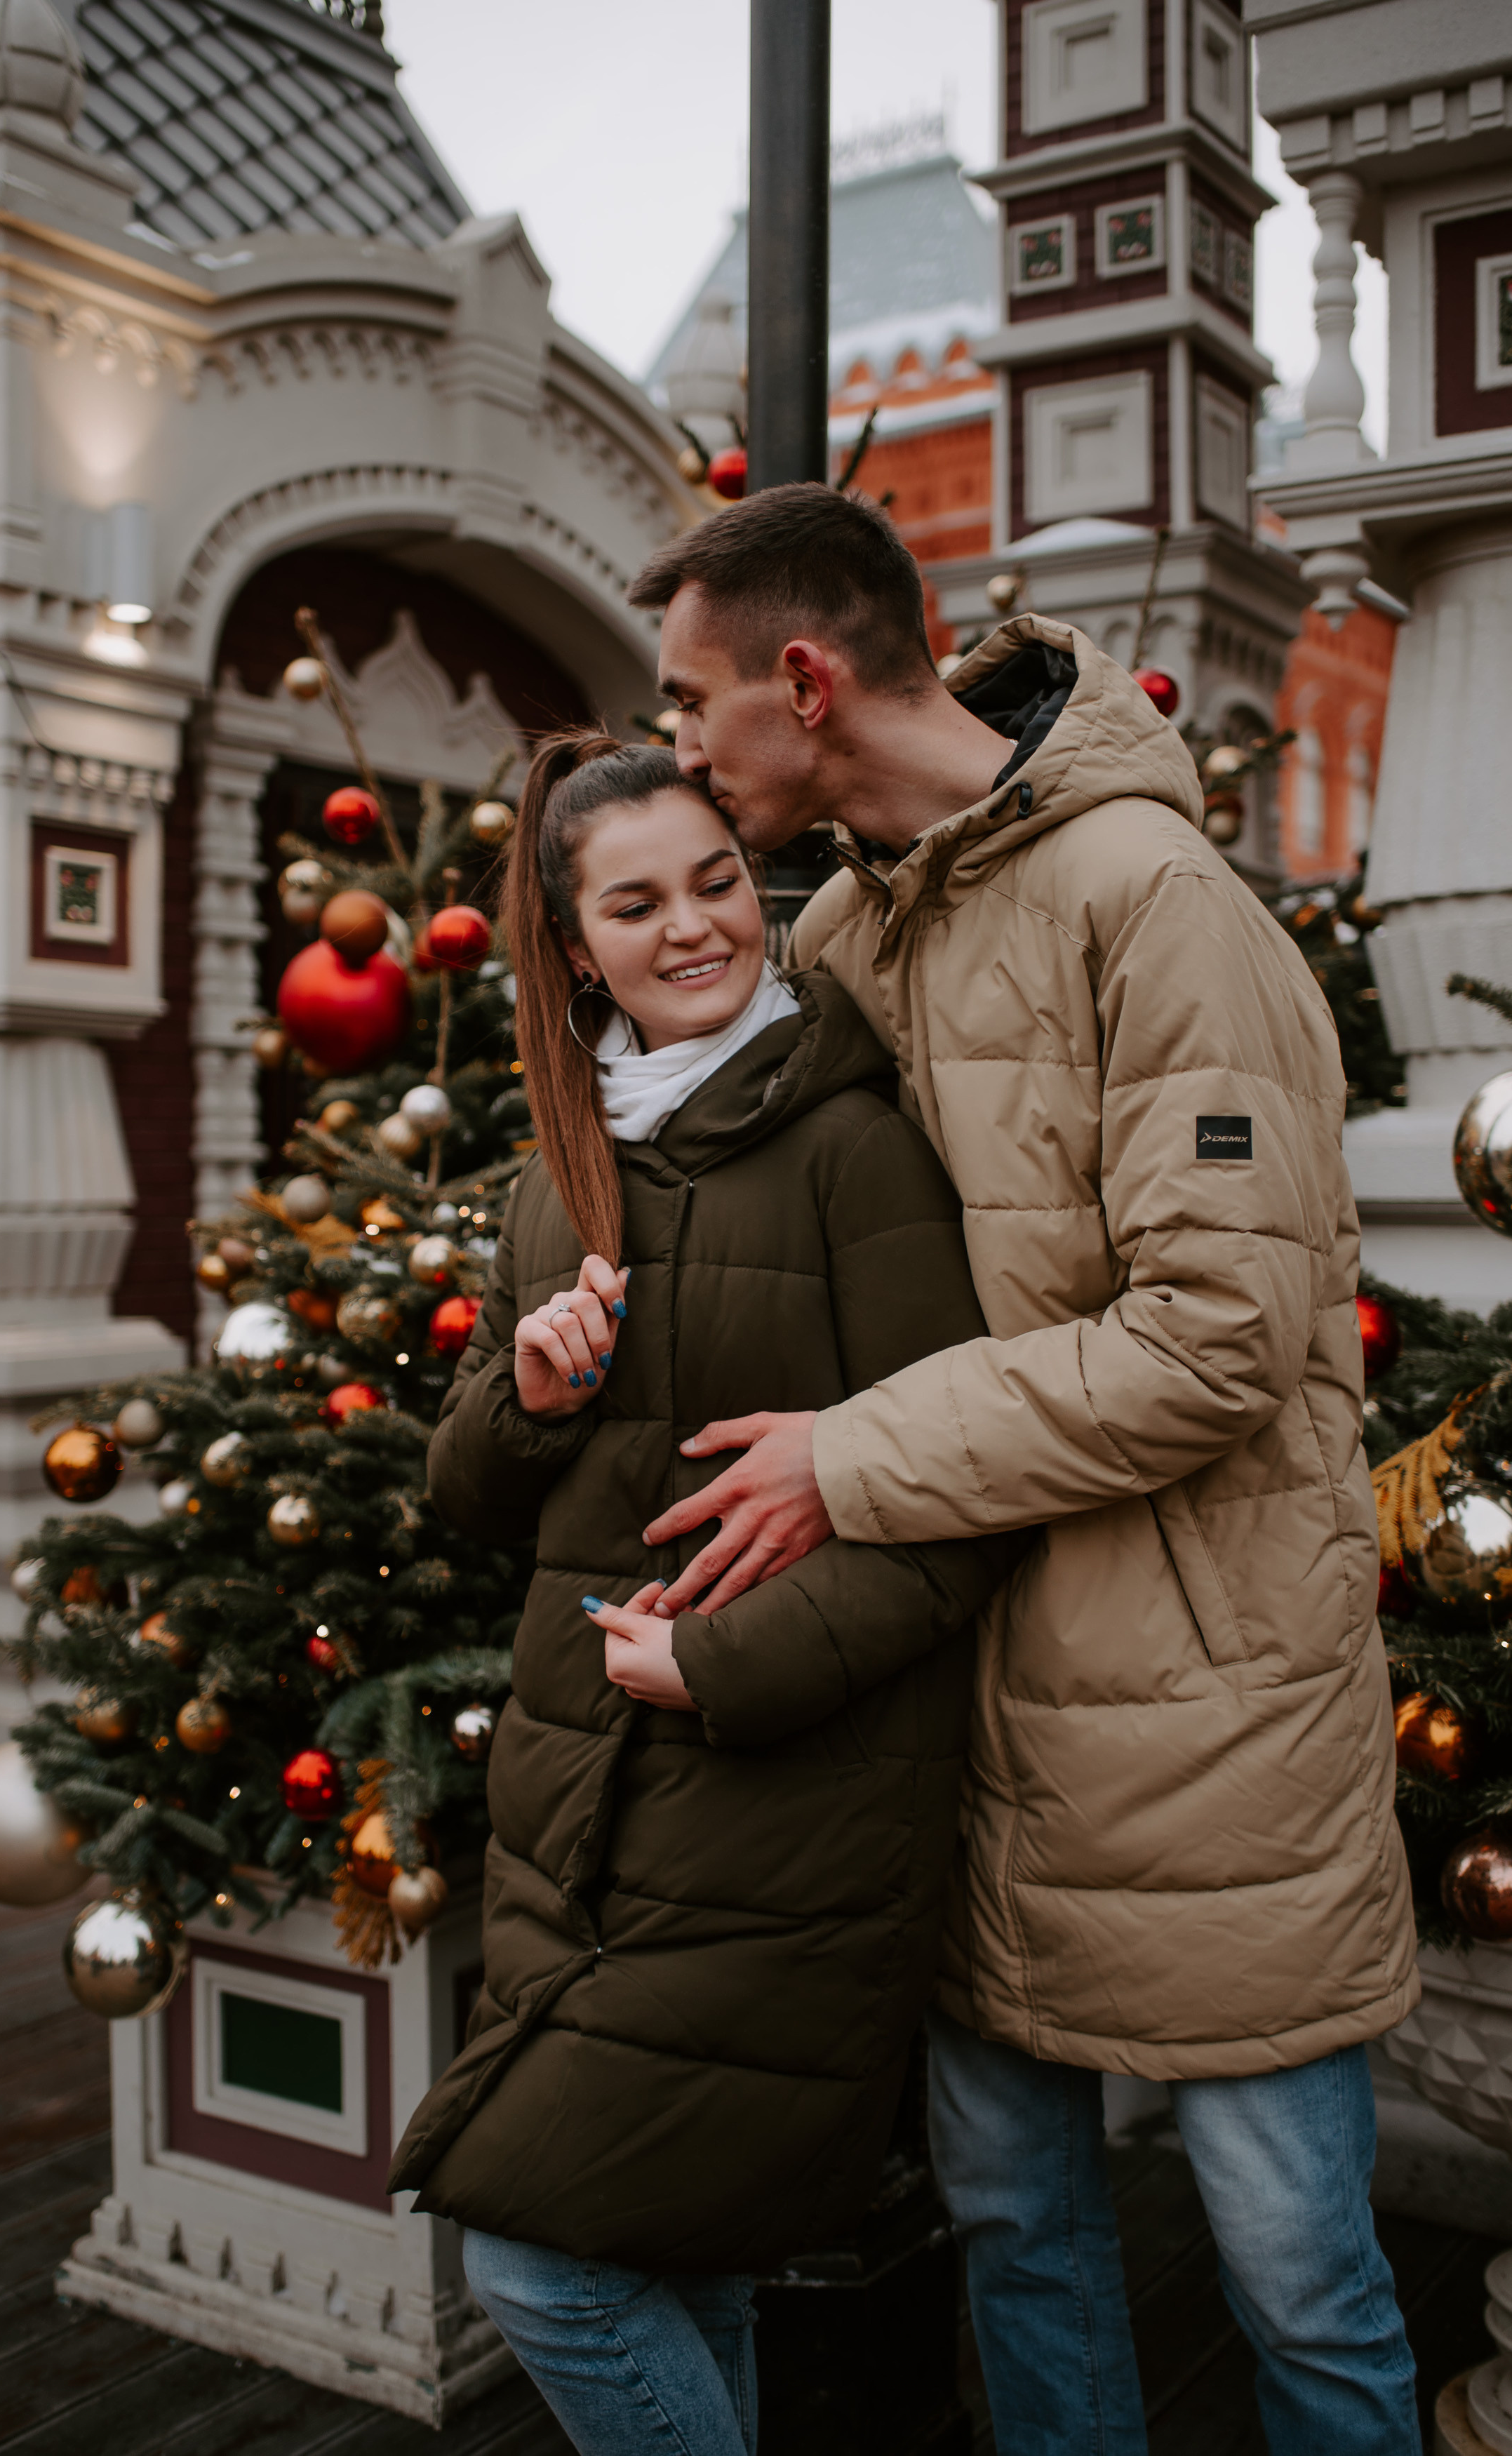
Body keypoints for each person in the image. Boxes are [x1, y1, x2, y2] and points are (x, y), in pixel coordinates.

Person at [622, 484, 1424, 2456]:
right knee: (1016, 2234)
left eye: (686, 706)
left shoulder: (1157, 905)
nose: (676, 759)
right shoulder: (842, 924)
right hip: (962, 1701)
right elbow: (762, 1217)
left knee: (1298, 2278)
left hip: (1204, 1718)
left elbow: (1216, 1340)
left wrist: (852, 1459)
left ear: (802, 683)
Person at [387, 732, 1019, 2456]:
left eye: (718, 880)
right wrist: (525, 1388)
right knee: (688, 2266)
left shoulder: (852, 1150)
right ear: (572, 944)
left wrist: (721, 1667)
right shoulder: (558, 1171)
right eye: (636, 902)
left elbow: (960, 1511)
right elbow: (465, 1503)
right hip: (572, 1817)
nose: (693, 928)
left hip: (781, 1812)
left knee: (543, 2263)